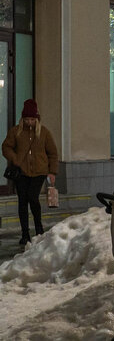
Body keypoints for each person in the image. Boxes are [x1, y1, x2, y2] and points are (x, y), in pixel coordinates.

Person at [3, 99, 59, 246]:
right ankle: (25, 234)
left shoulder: (44, 133)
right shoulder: (16, 132)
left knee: (32, 197)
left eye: (32, 119)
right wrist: (15, 159)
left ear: (37, 118)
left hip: (39, 172)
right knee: (22, 201)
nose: (29, 122)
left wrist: (52, 171)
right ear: (23, 119)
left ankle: (39, 229)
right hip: (21, 172)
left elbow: (53, 153)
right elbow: (6, 147)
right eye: (27, 119)